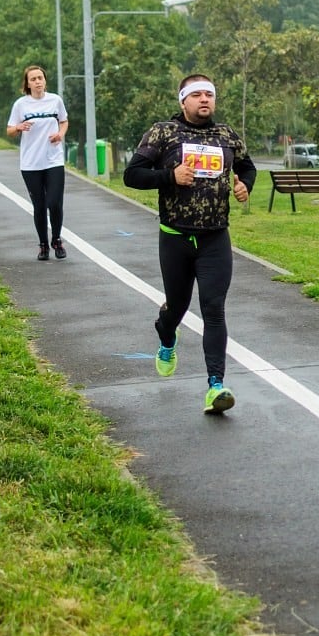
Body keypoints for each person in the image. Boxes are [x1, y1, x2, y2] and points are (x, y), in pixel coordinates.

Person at [123, 74, 257, 414]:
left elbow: (247, 167)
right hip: (175, 239)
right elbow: (132, 175)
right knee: (177, 307)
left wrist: (245, 187)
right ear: (183, 101)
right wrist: (170, 176)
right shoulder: (164, 132)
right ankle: (166, 334)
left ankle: (216, 386)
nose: (204, 100)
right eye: (196, 94)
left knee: (213, 308)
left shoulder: (225, 135)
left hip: (215, 237)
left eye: (209, 94)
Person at [6, 64, 69, 261]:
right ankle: (43, 245)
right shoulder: (21, 105)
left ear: (45, 80)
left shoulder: (55, 100)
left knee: (54, 203)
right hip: (31, 163)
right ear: (28, 84)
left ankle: (57, 240)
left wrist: (60, 134)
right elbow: (9, 130)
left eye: (40, 78)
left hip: (54, 160)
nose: (37, 82)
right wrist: (19, 127)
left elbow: (64, 121)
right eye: (33, 79)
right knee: (40, 206)